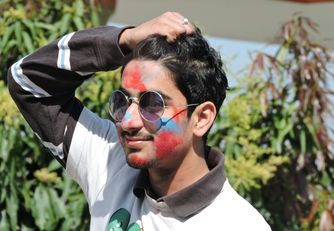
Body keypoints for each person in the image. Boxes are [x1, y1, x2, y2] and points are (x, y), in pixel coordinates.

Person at [8, 12, 271, 230]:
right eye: (123, 101)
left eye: (153, 104)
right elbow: (27, 81)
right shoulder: (110, 162)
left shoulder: (238, 224)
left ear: (202, 118)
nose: (128, 122)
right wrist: (123, 40)